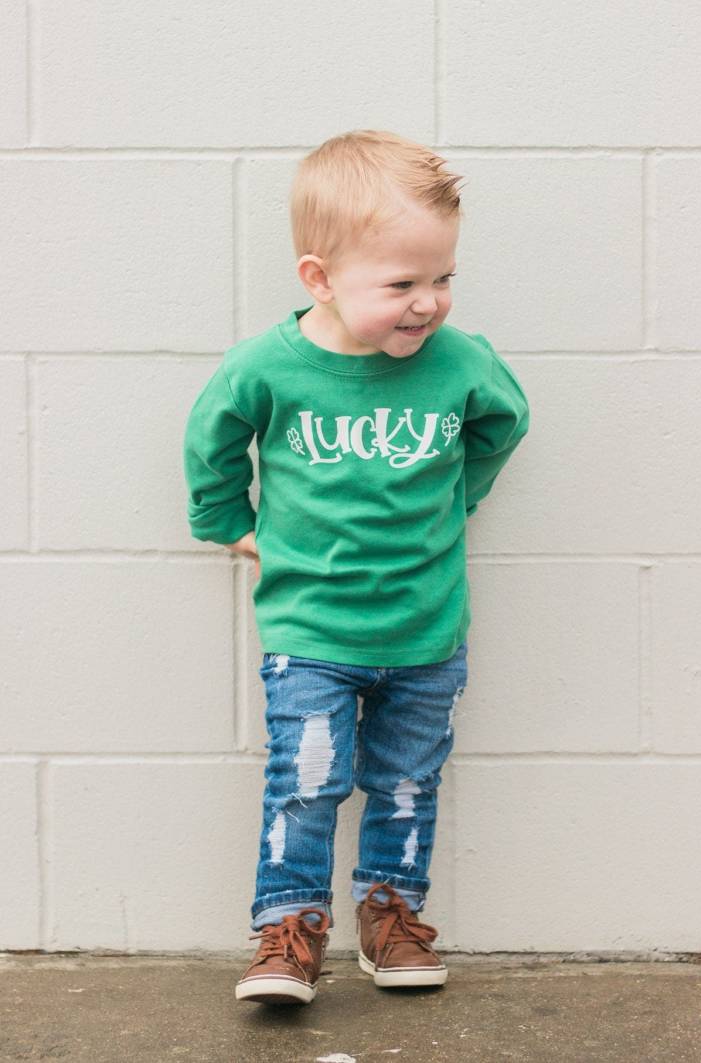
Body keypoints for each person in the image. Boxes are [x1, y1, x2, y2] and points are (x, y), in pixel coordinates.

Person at [183, 129, 530, 1006]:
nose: (428, 304)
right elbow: (213, 435)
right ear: (321, 277)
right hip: (311, 630)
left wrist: (458, 498)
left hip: (427, 629)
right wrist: (229, 523)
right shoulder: (269, 366)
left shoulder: (461, 362)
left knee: (406, 783)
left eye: (443, 278)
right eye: (402, 285)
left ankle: (391, 915)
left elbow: (505, 422)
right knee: (305, 783)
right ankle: (288, 928)